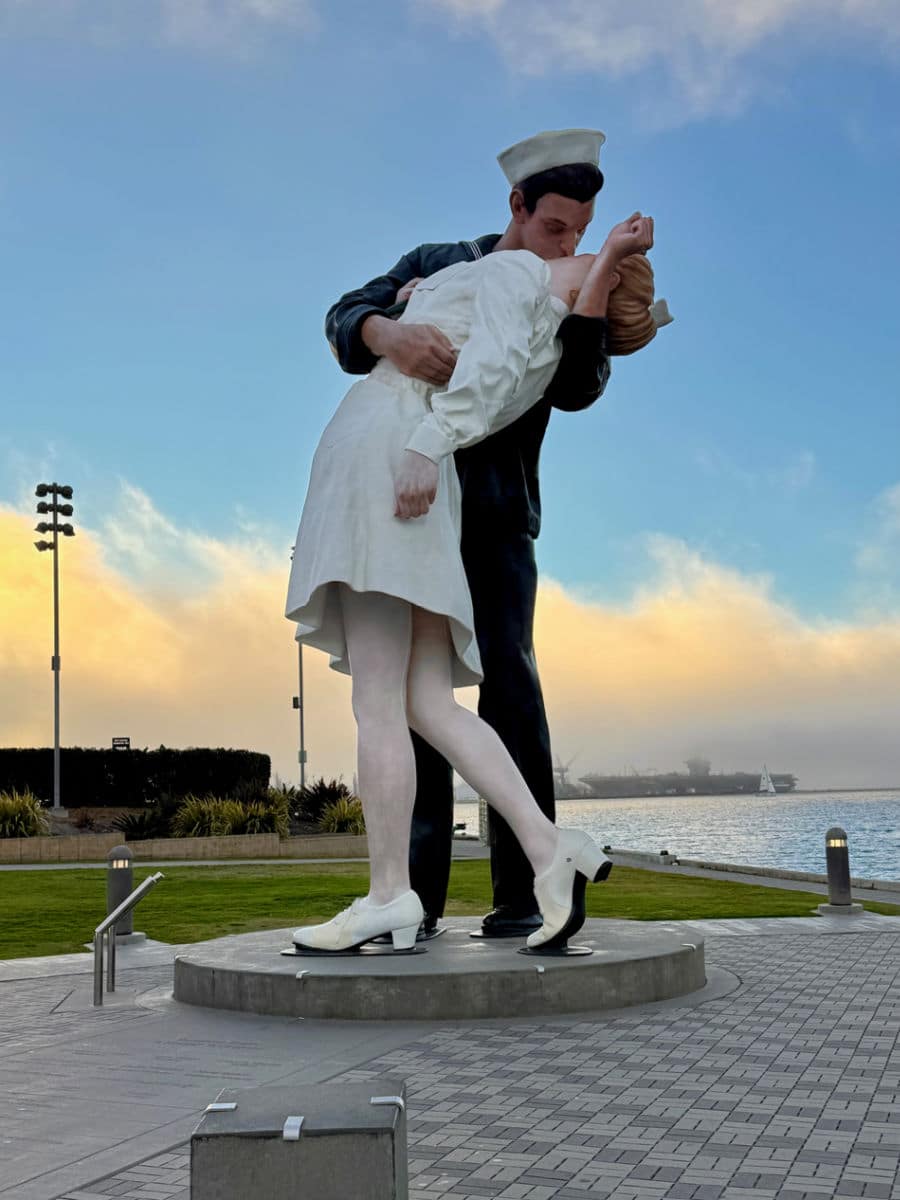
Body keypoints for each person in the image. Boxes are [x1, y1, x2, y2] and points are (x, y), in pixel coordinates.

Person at [286, 225, 668, 953]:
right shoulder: (548, 334)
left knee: (378, 698)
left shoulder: (515, 276)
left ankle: (390, 893)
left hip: (390, 451)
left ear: (593, 280)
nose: (573, 248)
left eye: (585, 252)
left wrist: (417, 312)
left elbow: (479, 374)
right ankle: (549, 846)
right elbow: (490, 380)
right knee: (426, 700)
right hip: (429, 477)